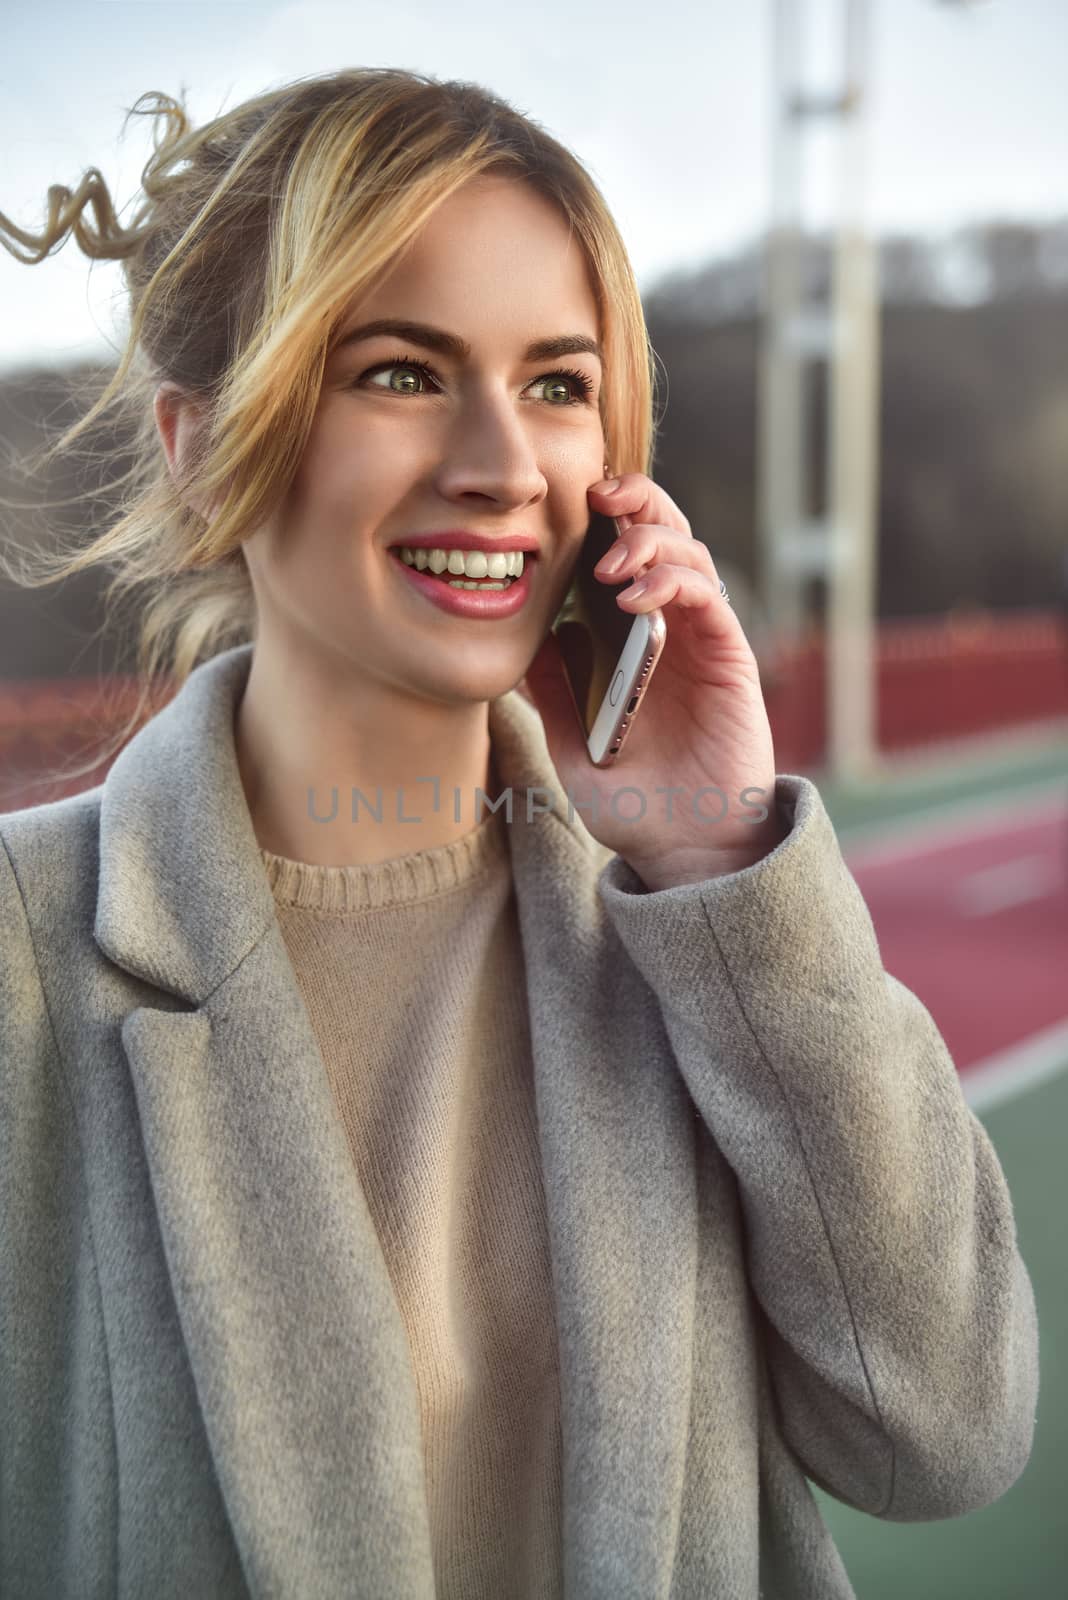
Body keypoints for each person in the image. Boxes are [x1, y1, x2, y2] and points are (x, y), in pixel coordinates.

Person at [0, 69, 1039, 1600]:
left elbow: (943, 1431)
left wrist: (721, 849)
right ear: (204, 443)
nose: (502, 461)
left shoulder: (693, 925)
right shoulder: (28, 951)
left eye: (559, 384)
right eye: (404, 373)